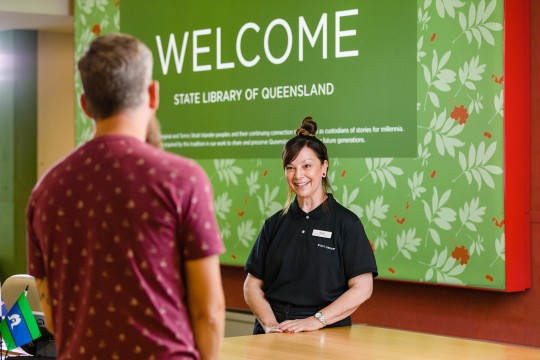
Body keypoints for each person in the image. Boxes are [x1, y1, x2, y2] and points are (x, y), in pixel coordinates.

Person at [26, 33, 225, 360]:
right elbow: (211, 313)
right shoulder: (182, 180)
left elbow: (52, 314)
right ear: (152, 93)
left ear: (85, 105)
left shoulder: (45, 191)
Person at [244, 117, 378, 335]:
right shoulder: (273, 224)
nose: (298, 176)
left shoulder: (346, 223)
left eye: (307, 166)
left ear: (323, 167)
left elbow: (363, 288)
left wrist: (316, 321)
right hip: (274, 330)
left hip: (326, 330)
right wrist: (270, 325)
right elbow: (251, 286)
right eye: (290, 167)